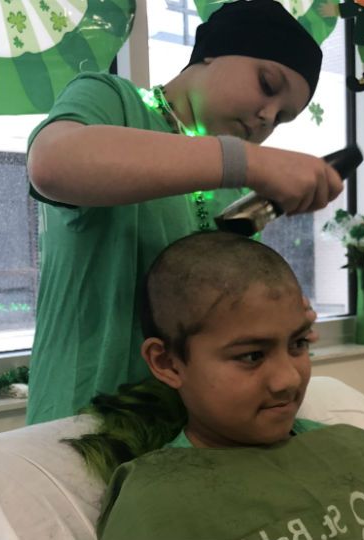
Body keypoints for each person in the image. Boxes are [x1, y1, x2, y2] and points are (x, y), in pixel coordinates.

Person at [25, 0, 344, 424]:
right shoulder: (114, 101)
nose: (268, 116)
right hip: (84, 420)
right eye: (267, 85)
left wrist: (280, 323)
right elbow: (53, 164)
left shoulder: (233, 187)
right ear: (213, 50)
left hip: (186, 433)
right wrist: (249, 160)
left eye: (284, 118)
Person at [67, 231, 364, 540]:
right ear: (167, 363)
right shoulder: (158, 504)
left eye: (298, 344)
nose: (289, 379)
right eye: (251, 356)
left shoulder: (355, 449)